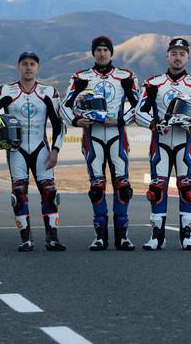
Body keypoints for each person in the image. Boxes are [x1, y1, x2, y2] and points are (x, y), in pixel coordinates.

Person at [0, 51, 66, 252]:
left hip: (42, 149)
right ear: (18, 67)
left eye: (32, 64)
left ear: (38, 68)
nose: (28, 67)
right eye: (24, 63)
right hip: (16, 151)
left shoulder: (48, 92)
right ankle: (26, 239)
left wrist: (55, 150)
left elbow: (59, 124)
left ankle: (52, 239)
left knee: (49, 192)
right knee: (18, 194)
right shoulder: (5, 91)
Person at [135, 38, 191, 250]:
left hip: (186, 140)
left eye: (182, 54)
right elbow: (139, 111)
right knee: (157, 187)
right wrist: (154, 124)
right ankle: (157, 236)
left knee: (186, 186)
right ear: (167, 56)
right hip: (160, 140)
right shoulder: (153, 83)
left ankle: (187, 235)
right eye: (174, 53)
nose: (177, 57)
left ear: (188, 57)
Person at [60, 36, 139, 251]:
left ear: (111, 53)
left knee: (123, 186)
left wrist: (120, 120)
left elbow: (139, 106)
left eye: (105, 50)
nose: (102, 53)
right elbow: (65, 106)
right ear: (93, 53)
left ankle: (123, 238)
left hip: (117, 135)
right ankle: (100, 237)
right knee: (96, 187)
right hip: (91, 135)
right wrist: (76, 121)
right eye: (98, 50)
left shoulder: (125, 76)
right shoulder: (81, 77)